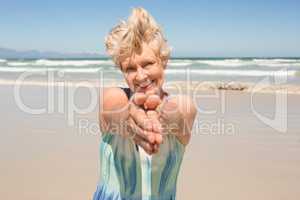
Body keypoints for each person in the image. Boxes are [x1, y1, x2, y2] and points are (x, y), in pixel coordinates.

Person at [93, 7, 197, 200]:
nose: (140, 76)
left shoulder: (182, 104)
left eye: (148, 64)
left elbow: (182, 113)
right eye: (130, 68)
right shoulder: (114, 97)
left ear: (162, 62)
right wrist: (131, 118)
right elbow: (114, 109)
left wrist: (163, 115)